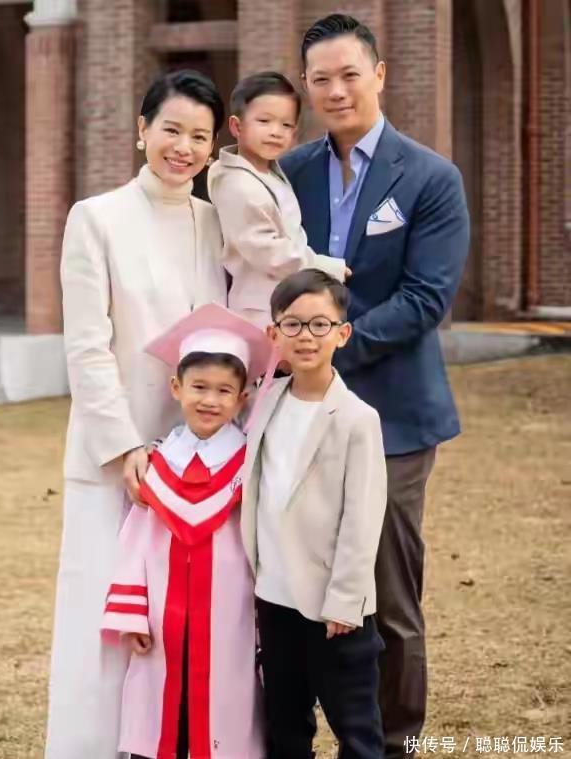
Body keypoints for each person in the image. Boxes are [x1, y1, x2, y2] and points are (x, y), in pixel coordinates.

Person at [279, 15, 470, 758]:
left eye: (349, 75)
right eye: (320, 79)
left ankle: (395, 743)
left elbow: (426, 299)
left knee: (387, 595)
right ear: (306, 86)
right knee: (292, 586)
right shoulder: (288, 174)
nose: (336, 90)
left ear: (379, 75)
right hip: (297, 414)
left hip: (394, 418)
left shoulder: (430, 177)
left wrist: (324, 345)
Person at [45, 70, 228, 759]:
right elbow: (87, 348)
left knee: (179, 621)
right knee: (103, 623)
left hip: (200, 456)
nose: (184, 147)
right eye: (171, 129)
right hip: (116, 459)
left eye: (200, 136)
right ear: (142, 129)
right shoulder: (96, 218)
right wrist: (125, 447)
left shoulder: (217, 223)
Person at [101, 303, 271, 759]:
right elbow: (134, 542)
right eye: (198, 387)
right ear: (176, 388)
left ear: (242, 398)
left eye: (224, 390)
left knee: (224, 704)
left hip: (231, 609)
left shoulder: (249, 464)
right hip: (162, 613)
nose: (210, 400)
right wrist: (132, 615)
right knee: (161, 705)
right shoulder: (156, 465)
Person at [241, 268, 388, 759]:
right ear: (273, 334)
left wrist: (345, 600)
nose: (306, 336)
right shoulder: (264, 404)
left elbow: (363, 518)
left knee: (355, 727)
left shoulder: (358, 419)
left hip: (332, 608)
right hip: (274, 596)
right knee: (285, 722)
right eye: (293, 324)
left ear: (342, 334)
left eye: (320, 325)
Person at [207, 71, 348, 330]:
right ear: (237, 126)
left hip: (284, 300)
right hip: (260, 310)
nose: (275, 132)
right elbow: (268, 250)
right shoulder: (237, 184)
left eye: (286, 125)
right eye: (264, 121)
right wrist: (323, 267)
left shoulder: (268, 171)